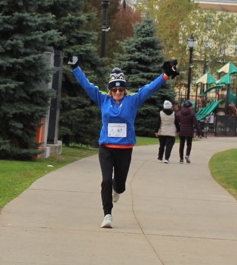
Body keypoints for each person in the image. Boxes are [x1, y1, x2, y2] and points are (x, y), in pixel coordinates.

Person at [70, 57, 178, 228]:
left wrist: (165, 75)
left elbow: (149, 88)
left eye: (121, 89)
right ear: (110, 90)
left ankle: (117, 189)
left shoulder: (132, 101)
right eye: (114, 89)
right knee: (106, 180)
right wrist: (75, 68)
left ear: (124, 90)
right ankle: (107, 215)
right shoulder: (103, 100)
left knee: (120, 186)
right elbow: (87, 86)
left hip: (124, 149)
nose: (118, 92)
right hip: (106, 148)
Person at [175, 99, 200, 164]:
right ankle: (187, 155)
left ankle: (181, 159)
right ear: (189, 106)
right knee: (189, 144)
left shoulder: (179, 113)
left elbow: (176, 122)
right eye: (191, 106)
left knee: (181, 144)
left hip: (181, 129)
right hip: (189, 130)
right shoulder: (192, 114)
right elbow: (196, 124)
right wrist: (199, 133)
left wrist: (177, 130)